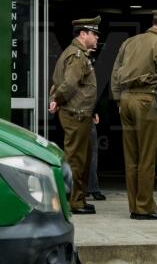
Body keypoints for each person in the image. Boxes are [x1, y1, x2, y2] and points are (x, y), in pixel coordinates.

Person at [111, 9, 157, 220]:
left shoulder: (129, 43)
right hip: (147, 101)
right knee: (148, 156)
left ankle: (134, 205)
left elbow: (115, 73)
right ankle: (145, 207)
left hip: (125, 100)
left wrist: (118, 100)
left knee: (131, 156)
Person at [48, 15, 101, 214]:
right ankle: (74, 202)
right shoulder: (77, 56)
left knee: (79, 157)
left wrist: (56, 98)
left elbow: (64, 83)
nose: (96, 38)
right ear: (83, 34)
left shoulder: (74, 53)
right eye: (94, 34)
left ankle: (78, 198)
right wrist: (57, 99)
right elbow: (69, 84)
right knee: (76, 159)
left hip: (79, 112)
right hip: (76, 114)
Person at [87, 114, 106, 200]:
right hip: (86, 115)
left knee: (76, 154)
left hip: (71, 116)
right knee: (92, 154)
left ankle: (81, 189)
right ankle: (92, 188)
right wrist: (94, 112)